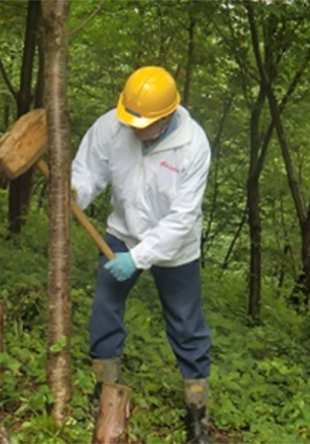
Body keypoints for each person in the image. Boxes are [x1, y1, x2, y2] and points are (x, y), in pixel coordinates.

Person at [72, 66, 212, 443]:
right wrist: (74, 193)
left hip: (175, 247)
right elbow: (88, 171)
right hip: (121, 233)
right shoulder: (112, 126)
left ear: (167, 115)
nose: (135, 127)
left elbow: (183, 218)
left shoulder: (193, 145)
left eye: (144, 122)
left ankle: (197, 414)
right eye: (130, 119)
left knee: (186, 324)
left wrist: (139, 258)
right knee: (104, 311)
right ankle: (103, 393)